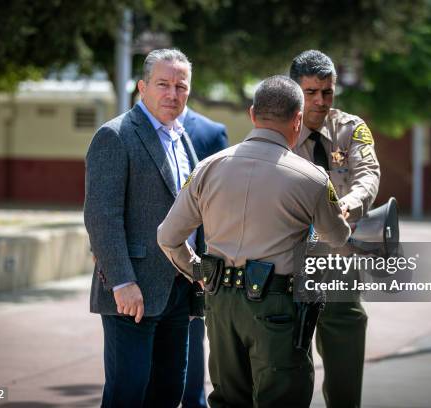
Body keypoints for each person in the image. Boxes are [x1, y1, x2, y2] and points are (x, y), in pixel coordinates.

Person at [158, 75, 352, 408]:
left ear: (252, 115)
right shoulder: (312, 178)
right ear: (297, 120)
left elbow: (167, 237)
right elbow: (339, 240)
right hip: (277, 306)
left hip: (220, 305)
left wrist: (198, 272)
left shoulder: (207, 168)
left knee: (229, 399)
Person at [84, 48, 202, 408]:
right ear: (142, 87)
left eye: (181, 86)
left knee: (168, 393)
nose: (172, 94)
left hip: (179, 291)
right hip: (131, 294)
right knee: (127, 395)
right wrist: (122, 282)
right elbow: (101, 216)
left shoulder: (182, 139)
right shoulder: (115, 135)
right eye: (163, 84)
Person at [289, 50, 381, 408]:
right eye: (310, 92)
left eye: (326, 92)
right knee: (288, 366)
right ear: (294, 90)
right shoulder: (279, 130)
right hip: (287, 262)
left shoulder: (350, 127)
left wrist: (349, 203)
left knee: (345, 360)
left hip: (339, 260)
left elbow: (368, 175)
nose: (320, 101)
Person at [179, 107, 228, 408]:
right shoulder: (126, 130)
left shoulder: (211, 133)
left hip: (194, 264)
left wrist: (209, 264)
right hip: (146, 263)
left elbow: (222, 201)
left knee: (192, 343)